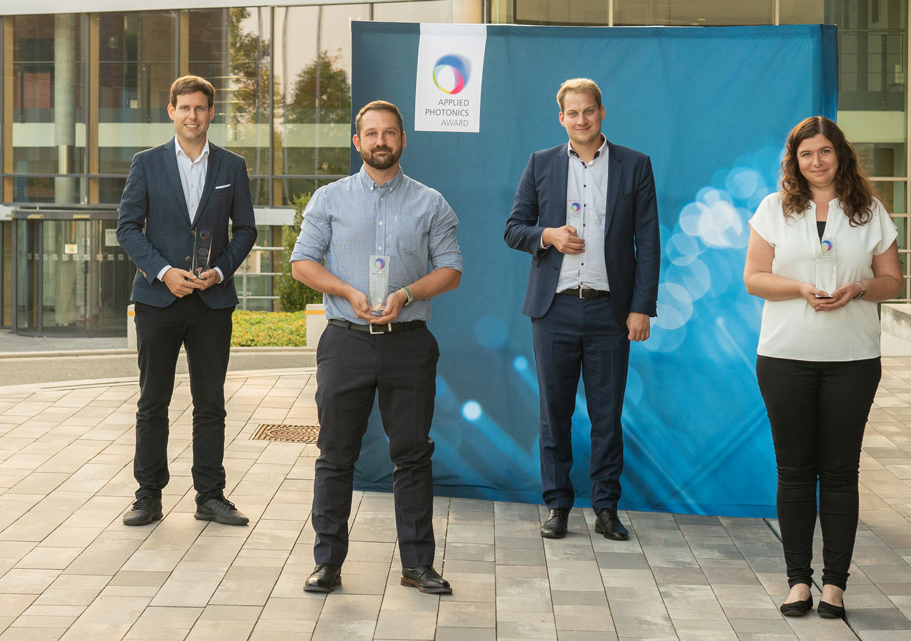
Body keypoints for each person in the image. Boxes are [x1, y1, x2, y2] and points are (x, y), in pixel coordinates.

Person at [292, 100, 463, 595]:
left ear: (403, 140)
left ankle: (417, 566)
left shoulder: (432, 203)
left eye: (389, 133)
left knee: (412, 456)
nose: (380, 141)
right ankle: (327, 563)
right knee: (334, 455)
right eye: (371, 134)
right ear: (357, 142)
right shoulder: (329, 199)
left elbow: (451, 269)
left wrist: (408, 293)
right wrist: (346, 291)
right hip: (345, 342)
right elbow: (303, 263)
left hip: (409, 344)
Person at [744, 116, 903, 619]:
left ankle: (835, 584)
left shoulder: (869, 212)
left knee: (839, 473)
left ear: (842, 155)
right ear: (794, 160)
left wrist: (858, 289)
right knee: (793, 473)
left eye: (825, 152)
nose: (816, 162)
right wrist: (797, 288)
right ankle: (798, 582)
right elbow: (753, 278)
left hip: (852, 361)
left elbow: (892, 281)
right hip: (785, 357)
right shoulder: (773, 210)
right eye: (806, 154)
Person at [504, 78, 659, 542]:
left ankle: (606, 507)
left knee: (607, 415)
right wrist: (547, 236)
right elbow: (513, 228)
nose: (581, 120)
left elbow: (648, 242)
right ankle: (557, 505)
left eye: (588, 111)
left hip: (612, 311)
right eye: (572, 113)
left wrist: (641, 308)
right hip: (554, 309)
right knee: (554, 414)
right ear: (561, 118)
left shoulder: (635, 165)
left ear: (602, 112)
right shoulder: (540, 164)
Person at [115, 75, 257, 528]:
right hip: (159, 299)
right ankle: (148, 496)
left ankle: (210, 496)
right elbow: (127, 227)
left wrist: (219, 272)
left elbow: (246, 230)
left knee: (210, 402)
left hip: (212, 303)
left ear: (211, 113)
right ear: (171, 111)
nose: (192, 115)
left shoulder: (232, 167)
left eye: (201, 108)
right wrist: (163, 272)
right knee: (152, 400)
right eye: (185, 108)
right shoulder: (147, 163)